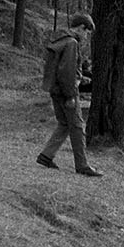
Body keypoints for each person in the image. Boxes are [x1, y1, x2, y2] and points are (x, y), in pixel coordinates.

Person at [36, 12, 102, 177]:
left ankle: (46, 156)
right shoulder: (72, 43)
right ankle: (82, 165)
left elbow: (62, 69)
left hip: (55, 89)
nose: (86, 36)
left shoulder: (60, 40)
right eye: (86, 32)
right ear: (81, 28)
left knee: (64, 123)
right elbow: (66, 72)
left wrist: (81, 78)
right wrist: (71, 95)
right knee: (78, 127)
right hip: (67, 93)